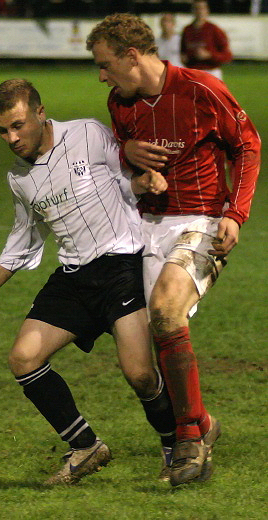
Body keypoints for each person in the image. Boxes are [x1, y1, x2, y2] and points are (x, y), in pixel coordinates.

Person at [0, 79, 177, 485]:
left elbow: (122, 181)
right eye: (2, 130)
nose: (11, 138)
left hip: (121, 266)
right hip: (74, 276)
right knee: (24, 358)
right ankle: (85, 446)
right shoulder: (19, 178)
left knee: (140, 374)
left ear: (41, 113)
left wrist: (145, 182)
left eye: (17, 125)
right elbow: (26, 235)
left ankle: (177, 444)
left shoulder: (87, 133)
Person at [86, 13, 261, 487]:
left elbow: (247, 143)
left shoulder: (200, 90)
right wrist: (133, 163)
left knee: (166, 309)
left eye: (105, 64)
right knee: (142, 367)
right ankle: (201, 423)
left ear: (131, 56)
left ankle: (188, 442)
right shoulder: (120, 104)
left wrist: (235, 212)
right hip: (146, 228)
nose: (101, 75)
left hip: (202, 222)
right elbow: (126, 164)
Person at [181, 0, 232, 80]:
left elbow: (227, 56)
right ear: (192, 11)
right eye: (196, 8)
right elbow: (183, 53)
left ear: (207, 10)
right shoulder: (187, 30)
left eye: (202, 8)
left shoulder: (214, 30)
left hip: (211, 72)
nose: (199, 11)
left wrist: (210, 55)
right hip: (193, 73)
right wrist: (185, 58)